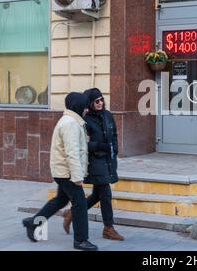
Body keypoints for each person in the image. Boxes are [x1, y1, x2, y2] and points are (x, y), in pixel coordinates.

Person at [22, 92, 98, 251]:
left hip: (62, 171)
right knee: (80, 203)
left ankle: (33, 223)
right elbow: (72, 153)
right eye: (85, 106)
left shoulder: (71, 120)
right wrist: (77, 177)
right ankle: (81, 240)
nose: (87, 110)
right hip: (67, 173)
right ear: (78, 106)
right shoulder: (70, 123)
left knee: (60, 200)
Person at [62, 88, 124, 241]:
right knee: (106, 193)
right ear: (90, 103)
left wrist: (114, 150)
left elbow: (114, 135)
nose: (100, 103)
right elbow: (82, 145)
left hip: (108, 160)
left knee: (98, 194)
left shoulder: (108, 115)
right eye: (97, 101)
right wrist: (97, 146)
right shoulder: (85, 120)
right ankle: (108, 228)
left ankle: (72, 213)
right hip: (94, 161)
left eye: (102, 100)